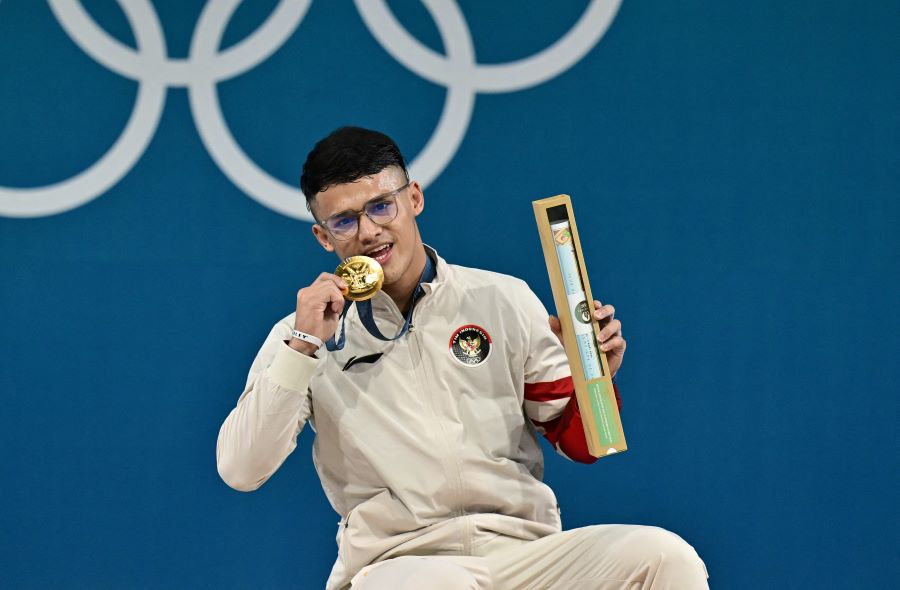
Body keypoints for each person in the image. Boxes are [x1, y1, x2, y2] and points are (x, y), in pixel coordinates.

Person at [216, 127, 709, 589]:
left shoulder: (502, 297)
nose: (368, 231)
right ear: (324, 237)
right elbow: (241, 469)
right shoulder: (305, 334)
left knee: (663, 557)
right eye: (345, 220)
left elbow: (583, 444)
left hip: (525, 554)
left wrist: (593, 377)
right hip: (401, 565)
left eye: (381, 206)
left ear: (414, 198)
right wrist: (303, 347)